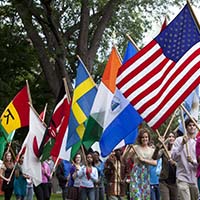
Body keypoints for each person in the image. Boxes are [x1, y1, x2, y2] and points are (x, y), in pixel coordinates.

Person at [123, 128, 157, 200]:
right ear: (140, 138)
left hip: (145, 175)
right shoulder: (136, 148)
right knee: (136, 196)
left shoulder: (152, 150)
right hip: (136, 174)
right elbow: (124, 158)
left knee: (145, 197)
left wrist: (144, 160)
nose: (145, 139)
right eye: (143, 137)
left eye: (146, 137)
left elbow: (155, 163)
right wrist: (128, 148)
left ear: (149, 138)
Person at [171, 118, 199, 200]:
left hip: (194, 179)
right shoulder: (179, 140)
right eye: (190, 125)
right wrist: (182, 144)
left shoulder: (198, 142)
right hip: (182, 178)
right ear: (186, 127)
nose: (192, 127)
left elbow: (199, 163)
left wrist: (193, 161)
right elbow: (173, 157)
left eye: (194, 125)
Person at [152, 132, 177, 200]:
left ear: (175, 139)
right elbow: (154, 157)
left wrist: (174, 163)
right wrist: (158, 145)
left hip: (175, 182)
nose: (171, 138)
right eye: (169, 136)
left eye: (173, 136)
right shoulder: (163, 150)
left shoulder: (179, 150)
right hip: (164, 181)